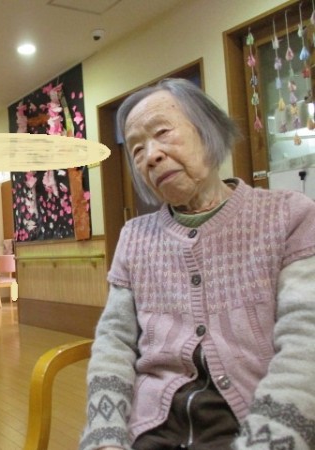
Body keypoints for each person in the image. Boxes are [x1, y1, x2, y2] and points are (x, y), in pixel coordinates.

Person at [80, 78, 315, 450]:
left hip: (257, 421)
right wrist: (104, 432)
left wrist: (271, 438)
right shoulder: (134, 237)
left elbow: (306, 339)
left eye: (162, 133)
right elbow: (114, 342)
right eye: (137, 149)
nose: (150, 156)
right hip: (151, 427)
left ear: (207, 130)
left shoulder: (289, 215)